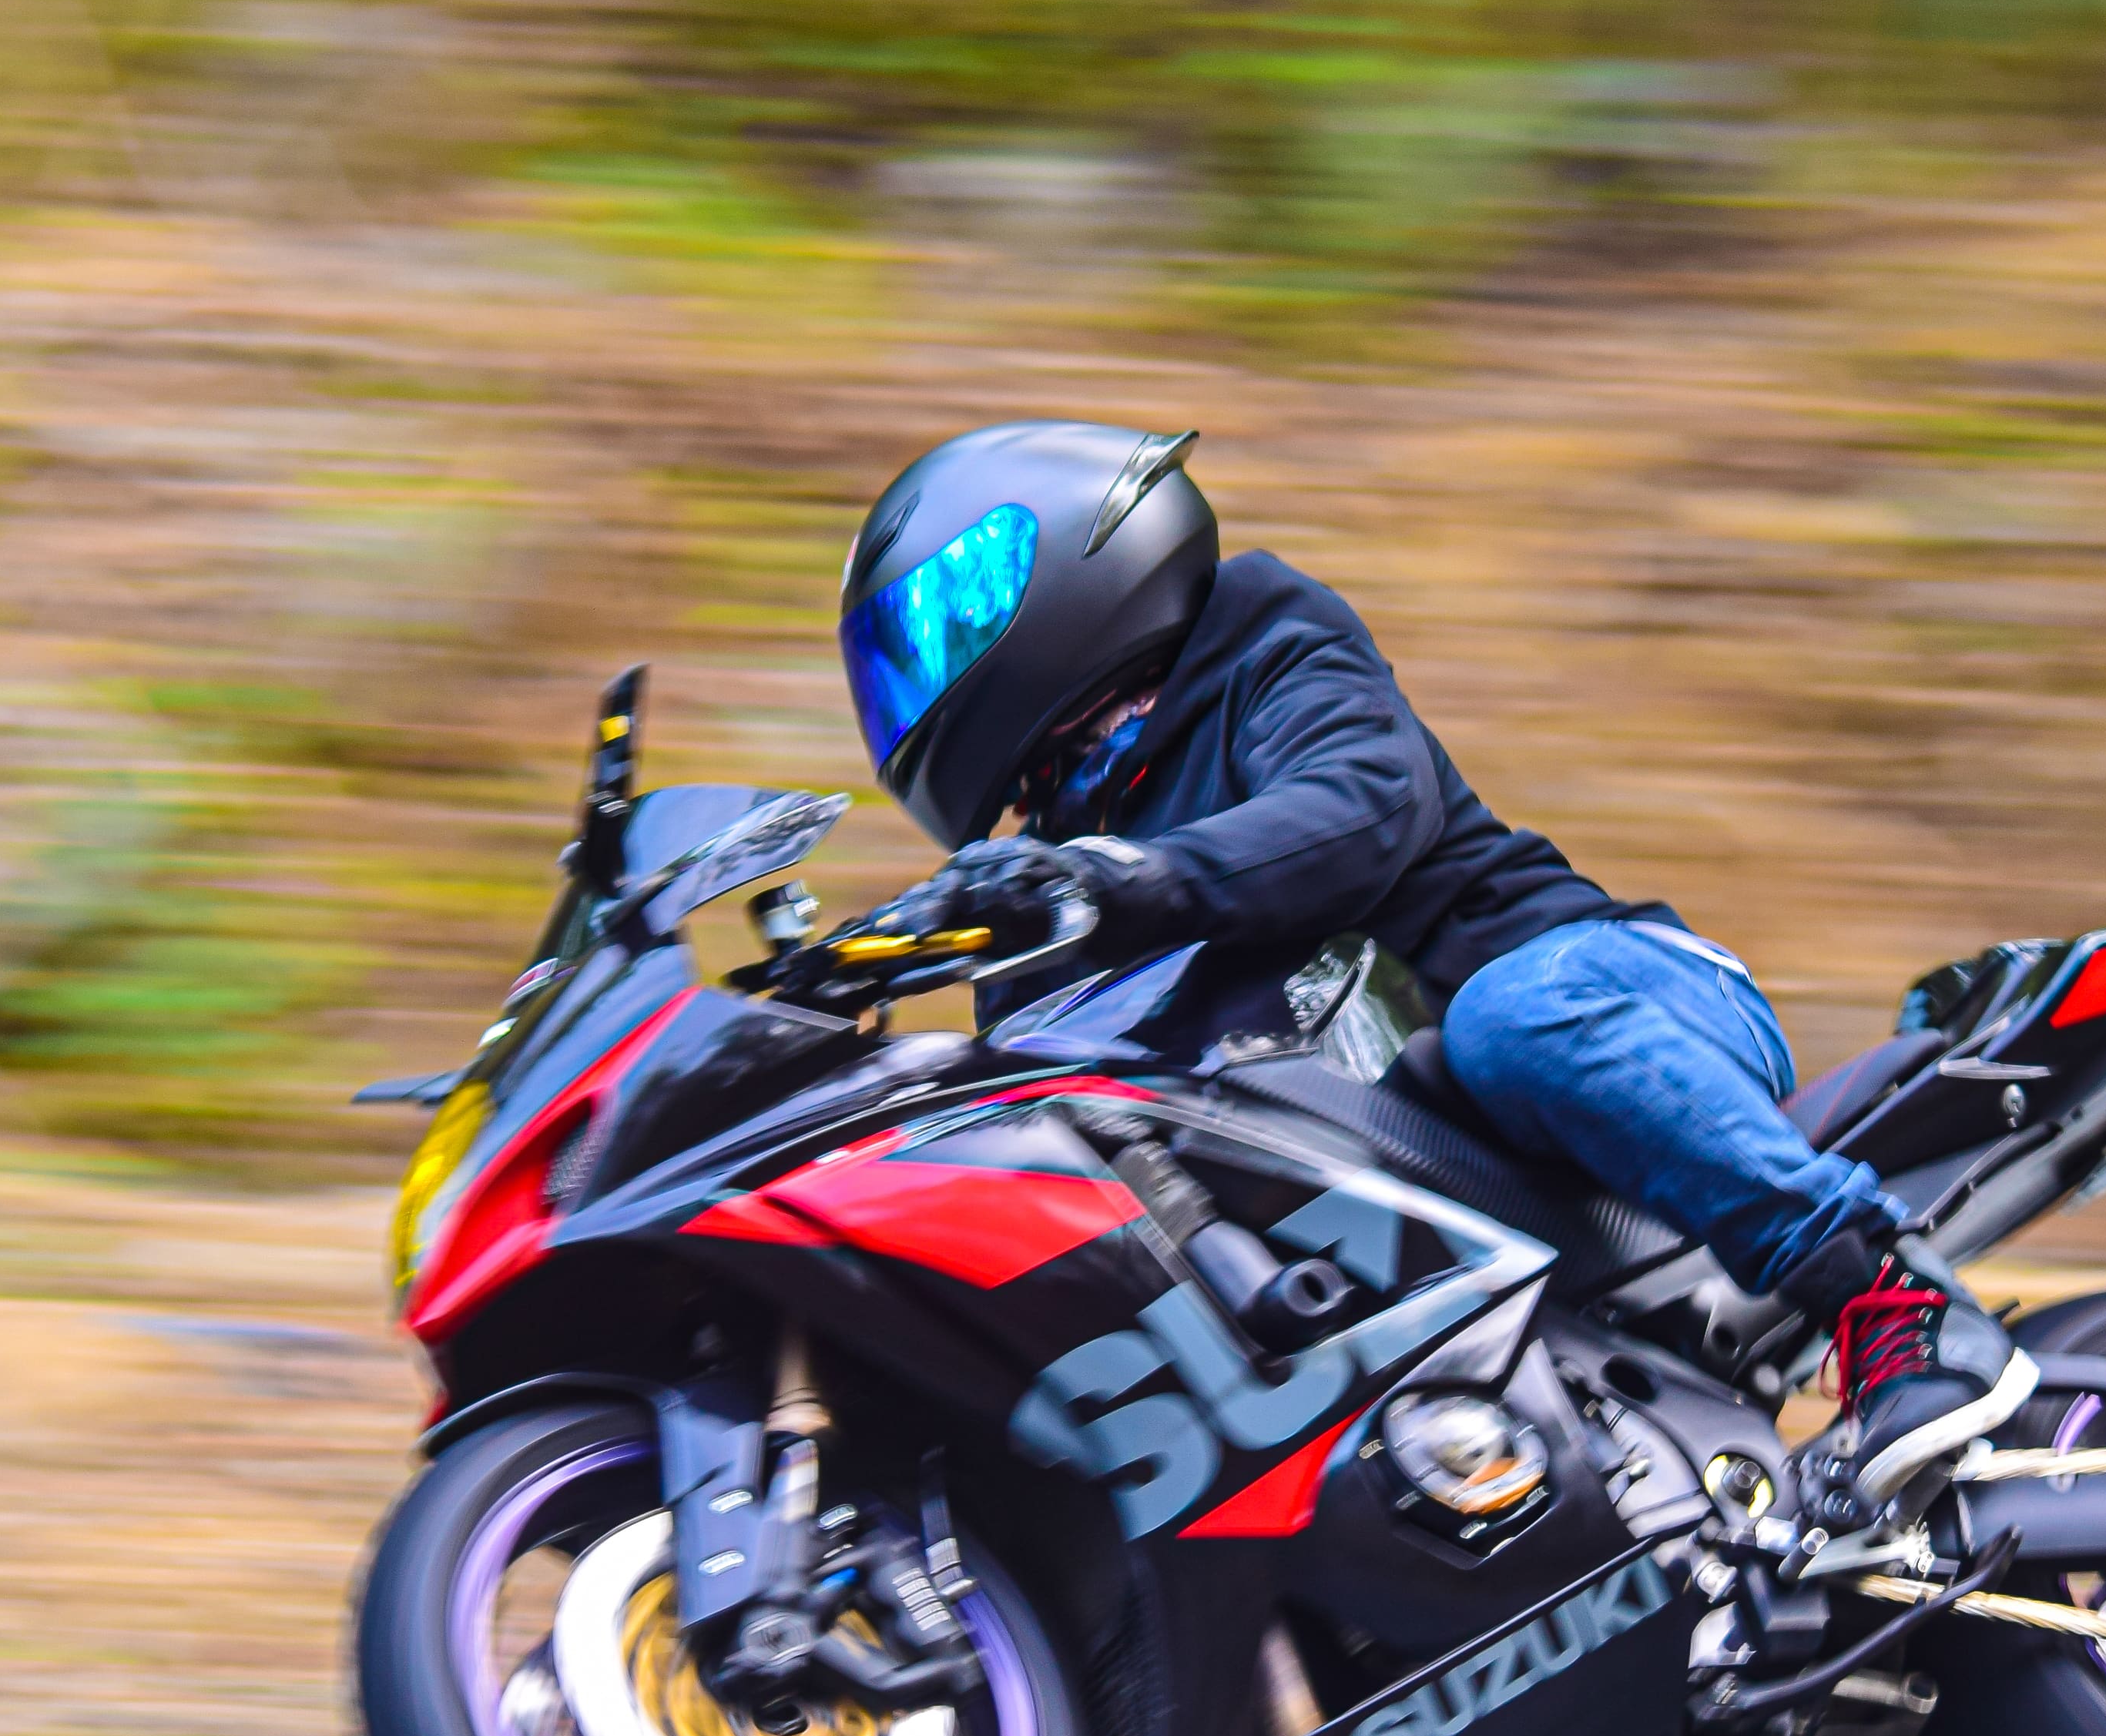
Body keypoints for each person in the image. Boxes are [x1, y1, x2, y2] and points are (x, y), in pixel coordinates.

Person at [832, 419, 2031, 1517]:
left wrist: (1109, 883)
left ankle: (1894, 1304)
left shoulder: (1258, 643)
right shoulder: (1048, 896)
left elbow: (1355, 814)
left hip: (1615, 1001)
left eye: (939, 625)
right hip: (1422, 1184)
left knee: (1511, 1020)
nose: (920, 676)